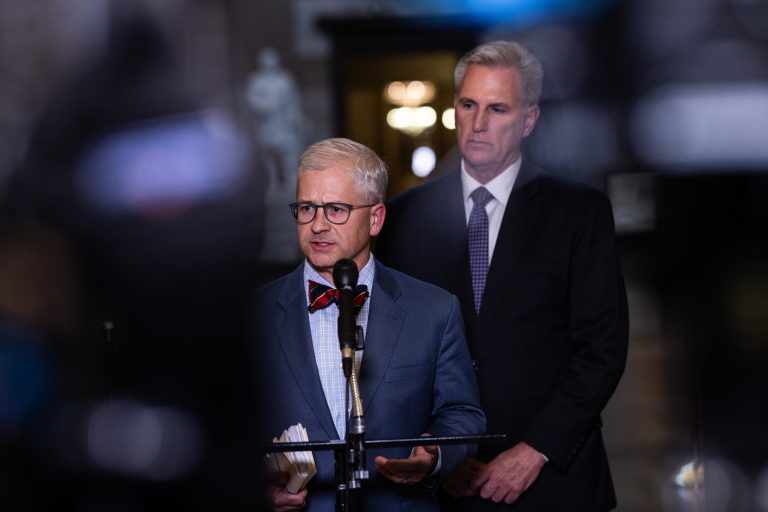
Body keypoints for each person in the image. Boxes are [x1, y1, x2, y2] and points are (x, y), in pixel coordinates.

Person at [375, 41, 629, 511]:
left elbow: (602, 349)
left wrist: (534, 451)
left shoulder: (578, 211)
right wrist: (441, 456)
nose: (478, 122)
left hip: (554, 480)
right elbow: (390, 352)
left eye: (497, 108)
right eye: (468, 105)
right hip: (444, 487)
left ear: (529, 119)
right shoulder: (403, 218)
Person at [252, 138, 486, 511]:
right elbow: (220, 429)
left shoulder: (434, 309)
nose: (318, 225)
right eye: (307, 208)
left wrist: (434, 455)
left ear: (375, 219)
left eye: (337, 209)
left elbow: (462, 414)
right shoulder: (253, 315)